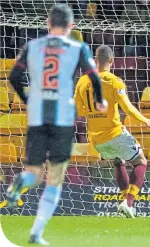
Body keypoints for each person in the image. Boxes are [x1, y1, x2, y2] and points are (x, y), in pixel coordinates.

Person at [5, 4, 107, 245]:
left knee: (34, 173)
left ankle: (21, 182)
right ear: (71, 26)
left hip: (37, 117)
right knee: (55, 177)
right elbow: (94, 76)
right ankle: (36, 233)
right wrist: (100, 100)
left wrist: (28, 99)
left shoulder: (33, 46)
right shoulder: (77, 46)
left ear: (47, 23)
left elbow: (13, 77)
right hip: (62, 118)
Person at [74, 45, 150, 218]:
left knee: (119, 162)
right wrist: (145, 120)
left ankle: (125, 205)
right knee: (141, 161)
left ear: (95, 60)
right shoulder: (114, 81)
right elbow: (128, 107)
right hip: (114, 133)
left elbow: (79, 111)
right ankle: (129, 202)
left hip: (96, 139)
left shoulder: (82, 81)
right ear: (111, 61)